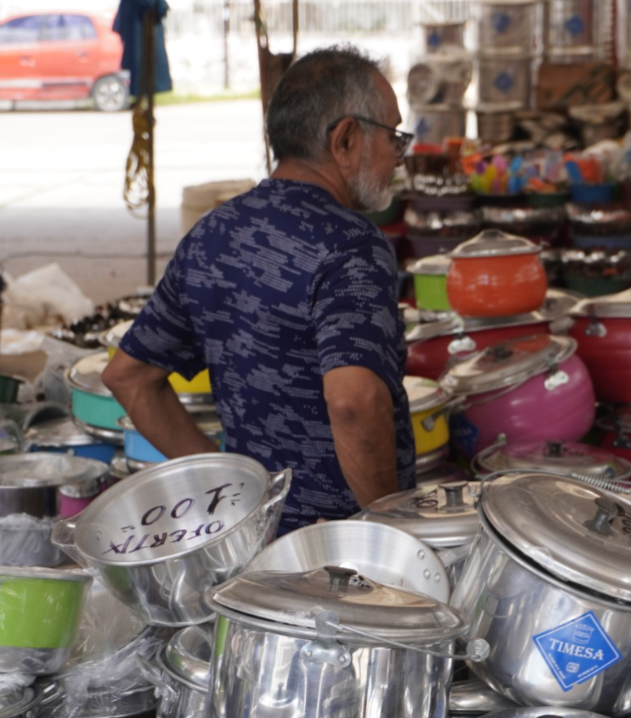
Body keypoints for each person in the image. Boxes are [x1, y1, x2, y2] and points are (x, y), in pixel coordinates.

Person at [102, 46, 415, 533]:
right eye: (393, 136)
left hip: (250, 544)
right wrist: (391, 532)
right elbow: (354, 403)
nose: (399, 155)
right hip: (341, 561)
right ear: (346, 140)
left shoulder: (213, 233)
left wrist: (231, 489)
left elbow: (128, 377)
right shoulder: (350, 245)